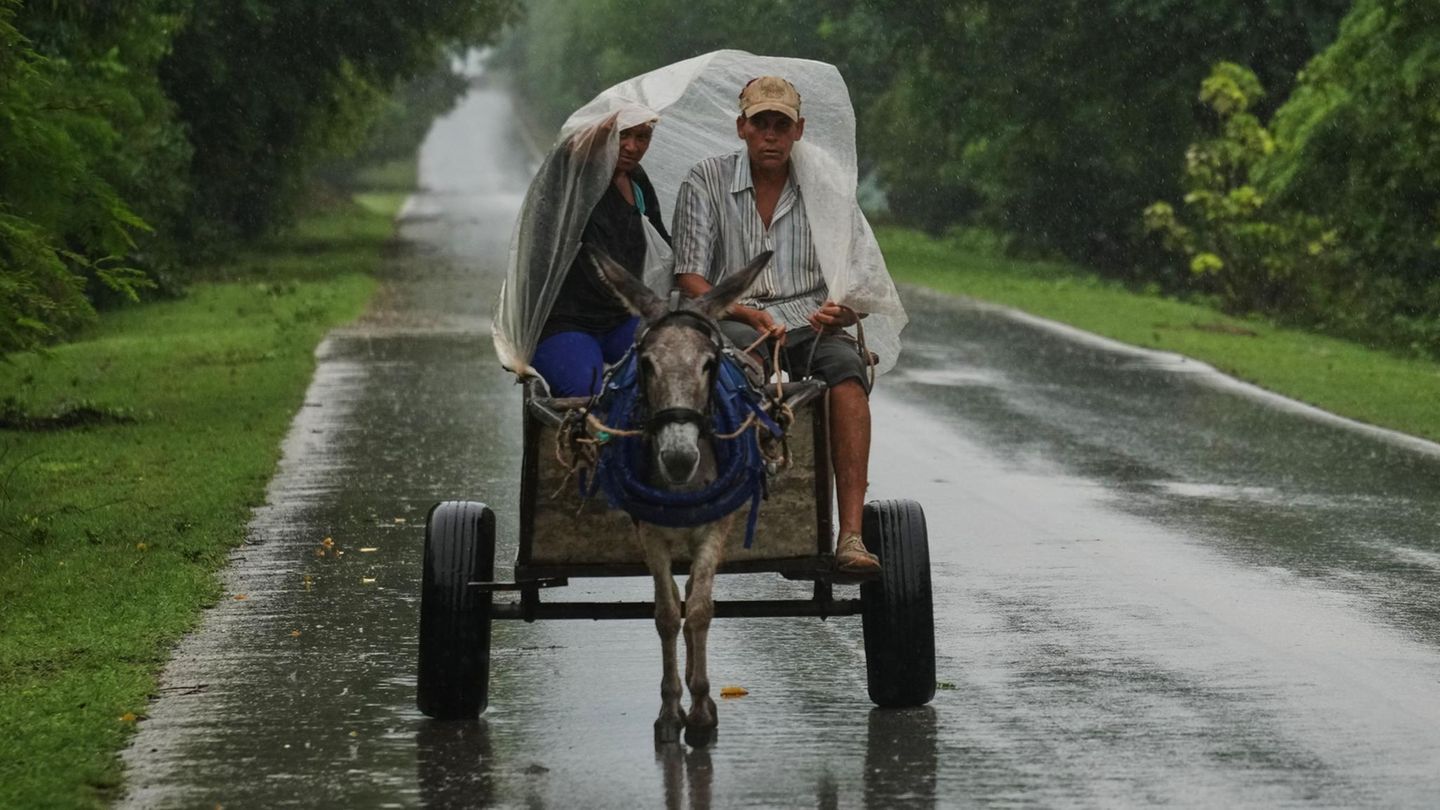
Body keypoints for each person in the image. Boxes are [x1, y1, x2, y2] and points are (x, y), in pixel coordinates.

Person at [671, 75, 883, 574]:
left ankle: (850, 534)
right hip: (733, 319)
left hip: (810, 321)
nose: (771, 135)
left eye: (781, 126)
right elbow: (690, 278)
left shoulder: (825, 187)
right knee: (733, 372)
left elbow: (858, 283)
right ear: (741, 127)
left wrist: (844, 310)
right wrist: (741, 310)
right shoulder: (706, 179)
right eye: (761, 124)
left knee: (847, 374)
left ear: (798, 131)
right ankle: (730, 501)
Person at [530, 117, 671, 397]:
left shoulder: (638, 182)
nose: (631, 146)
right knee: (587, 392)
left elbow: (664, 246)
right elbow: (566, 153)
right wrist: (607, 121)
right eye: (622, 135)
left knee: (670, 374)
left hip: (622, 319)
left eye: (642, 137)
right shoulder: (572, 180)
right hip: (565, 323)